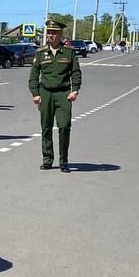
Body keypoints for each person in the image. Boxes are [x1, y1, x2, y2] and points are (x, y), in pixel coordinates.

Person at [29, 19, 82, 172]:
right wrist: (35, 93)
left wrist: (75, 90)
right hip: (45, 94)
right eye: (49, 32)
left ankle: (64, 161)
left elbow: (76, 73)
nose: (51, 35)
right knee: (46, 128)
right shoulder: (40, 53)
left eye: (54, 32)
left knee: (64, 126)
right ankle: (47, 159)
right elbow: (34, 76)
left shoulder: (69, 52)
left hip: (63, 94)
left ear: (60, 34)